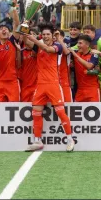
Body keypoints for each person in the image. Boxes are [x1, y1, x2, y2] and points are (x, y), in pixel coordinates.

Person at [23, 23, 74, 152]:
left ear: (52, 36)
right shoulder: (38, 45)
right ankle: (38, 141)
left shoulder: (57, 46)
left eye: (48, 34)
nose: (45, 36)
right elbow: (26, 42)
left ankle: (69, 139)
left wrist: (35, 40)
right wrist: (24, 27)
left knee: (60, 112)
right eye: (44, 34)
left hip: (53, 84)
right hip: (40, 85)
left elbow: (47, 49)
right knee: (36, 112)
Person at [0, 10, 21, 102]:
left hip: (12, 82)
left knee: (13, 109)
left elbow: (17, 24)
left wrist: (14, 9)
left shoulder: (12, 41)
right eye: (1, 29)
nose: (4, 29)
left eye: (6, 29)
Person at [70, 35, 100, 102]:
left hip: (92, 89)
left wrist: (76, 56)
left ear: (87, 45)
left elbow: (89, 66)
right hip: (80, 90)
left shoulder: (93, 54)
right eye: (78, 43)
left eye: (80, 43)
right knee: (75, 111)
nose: (78, 45)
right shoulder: (76, 53)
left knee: (95, 110)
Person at [82, 25, 101, 101]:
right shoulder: (84, 42)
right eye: (84, 32)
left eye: (88, 32)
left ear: (94, 33)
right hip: (91, 77)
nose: (86, 34)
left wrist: (99, 52)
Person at [19, 29, 39, 102]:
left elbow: (28, 42)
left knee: (37, 108)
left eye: (33, 34)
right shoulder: (20, 50)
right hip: (25, 85)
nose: (30, 36)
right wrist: (25, 27)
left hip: (37, 85)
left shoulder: (39, 49)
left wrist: (25, 28)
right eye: (29, 34)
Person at [55, 29, 73, 102]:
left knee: (68, 106)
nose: (55, 37)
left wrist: (59, 40)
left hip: (64, 82)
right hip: (54, 81)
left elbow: (66, 52)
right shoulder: (50, 46)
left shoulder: (65, 45)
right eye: (54, 35)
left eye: (58, 35)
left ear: (63, 37)